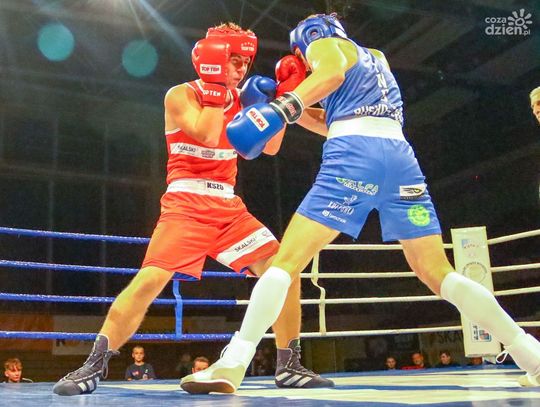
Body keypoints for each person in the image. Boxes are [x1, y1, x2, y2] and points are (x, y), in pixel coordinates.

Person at [181, 13, 540, 393]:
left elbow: (331, 74)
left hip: (355, 157)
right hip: (401, 162)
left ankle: (234, 362)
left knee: (285, 263)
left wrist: (281, 107)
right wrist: (293, 109)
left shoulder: (324, 45)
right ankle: (532, 356)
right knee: (438, 272)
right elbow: (334, 119)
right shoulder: (377, 59)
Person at [53, 22, 330, 397]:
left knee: (284, 270)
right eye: (233, 60)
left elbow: (270, 147)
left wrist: (281, 101)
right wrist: (217, 90)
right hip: (186, 204)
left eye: (245, 61)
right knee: (150, 281)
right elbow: (205, 133)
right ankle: (93, 365)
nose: (241, 68)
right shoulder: (181, 95)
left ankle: (289, 364)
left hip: (228, 206)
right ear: (213, 58)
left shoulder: (246, 98)